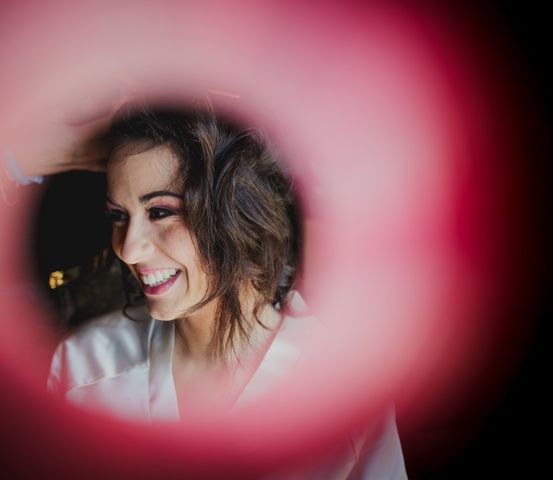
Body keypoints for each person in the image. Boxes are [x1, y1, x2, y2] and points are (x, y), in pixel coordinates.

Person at [43, 101, 407, 478]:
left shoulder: (348, 392)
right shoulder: (84, 365)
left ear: (239, 212)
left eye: (161, 211)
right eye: (118, 216)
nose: (128, 248)